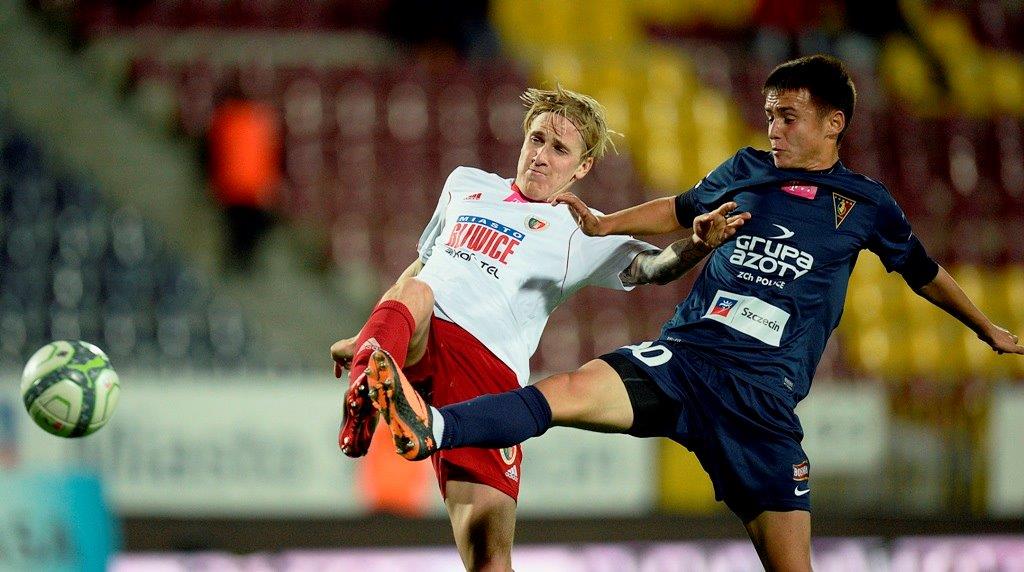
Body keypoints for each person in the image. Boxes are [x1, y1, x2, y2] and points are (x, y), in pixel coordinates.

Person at [366, 55, 1024, 571]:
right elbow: (680, 210)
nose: (773, 129)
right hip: (684, 359)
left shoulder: (866, 204)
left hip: (761, 397)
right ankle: (434, 427)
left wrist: (986, 327)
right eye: (769, 115)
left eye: (788, 117)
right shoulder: (746, 168)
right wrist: (606, 223)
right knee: (562, 391)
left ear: (833, 123)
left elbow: (923, 271)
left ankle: (437, 424)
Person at [331, 86, 749, 571]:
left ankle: (375, 384)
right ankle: (363, 398)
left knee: (489, 556)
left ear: (583, 167)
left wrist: (697, 246)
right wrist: (369, 336)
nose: (541, 156)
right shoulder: (465, 182)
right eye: (536, 139)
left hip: (489, 380)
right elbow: (420, 268)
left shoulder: (584, 230)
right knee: (418, 290)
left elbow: (652, 269)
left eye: (560, 149)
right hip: (425, 333)